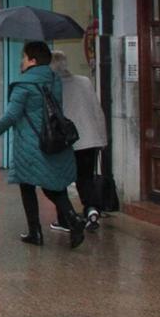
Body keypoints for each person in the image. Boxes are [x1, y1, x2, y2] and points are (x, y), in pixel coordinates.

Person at [0, 41, 85, 249]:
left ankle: (35, 231)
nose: (21, 62)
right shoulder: (54, 80)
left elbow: (12, 115)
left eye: (23, 57)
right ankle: (72, 219)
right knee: (54, 184)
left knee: (28, 186)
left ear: (32, 60)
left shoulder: (24, 85)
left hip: (31, 144)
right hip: (54, 139)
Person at [51, 50, 107, 232]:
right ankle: (91, 209)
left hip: (67, 141)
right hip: (89, 139)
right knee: (85, 178)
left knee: (60, 180)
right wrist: (102, 137)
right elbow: (96, 109)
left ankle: (65, 218)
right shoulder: (84, 81)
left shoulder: (54, 86)